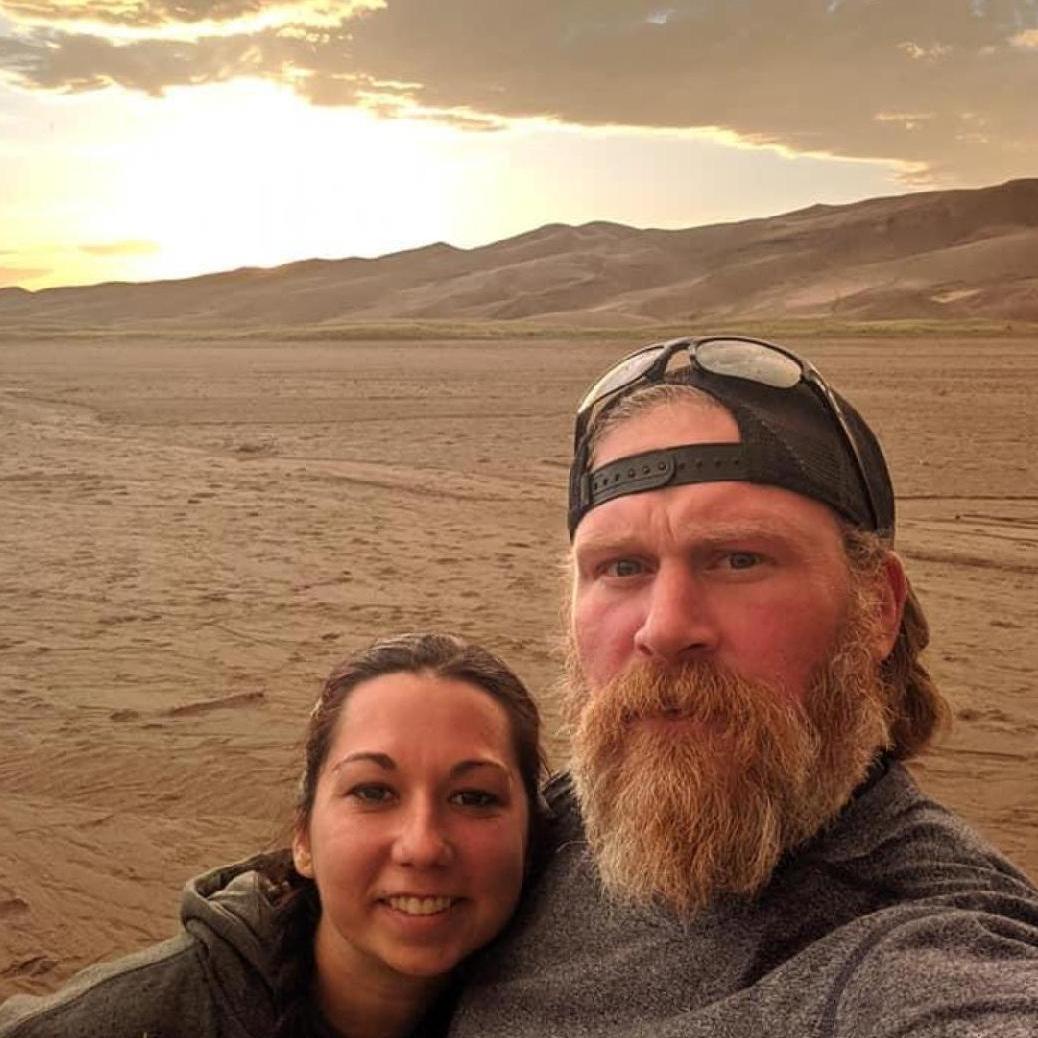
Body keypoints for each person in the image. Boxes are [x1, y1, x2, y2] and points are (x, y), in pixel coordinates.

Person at [449, 335, 1038, 1037]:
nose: (665, 630)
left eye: (738, 559)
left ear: (876, 608)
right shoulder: (531, 829)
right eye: (621, 567)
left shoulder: (922, 943)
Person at [0, 632, 546, 1038]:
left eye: (474, 798)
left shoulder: (563, 1002)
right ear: (302, 837)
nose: (423, 845)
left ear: (531, 834)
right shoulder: (141, 1017)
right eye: (373, 792)